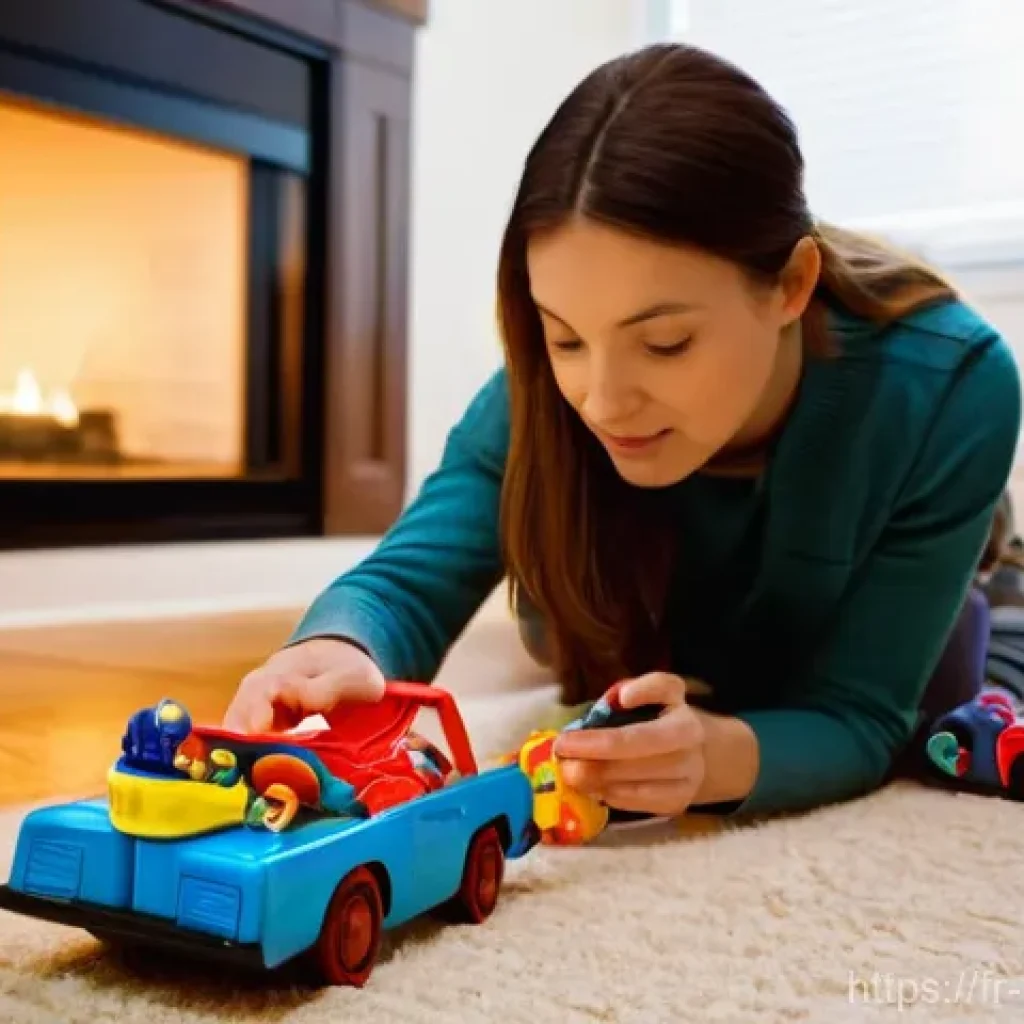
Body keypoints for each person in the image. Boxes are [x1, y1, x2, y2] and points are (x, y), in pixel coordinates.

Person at [223, 43, 1022, 819]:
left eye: (664, 342)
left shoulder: (954, 386)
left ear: (790, 285)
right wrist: (333, 652)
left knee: (959, 684)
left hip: (907, 596)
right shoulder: (541, 392)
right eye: (565, 336)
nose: (601, 401)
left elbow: (859, 715)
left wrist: (709, 759)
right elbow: (404, 582)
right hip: (700, 644)